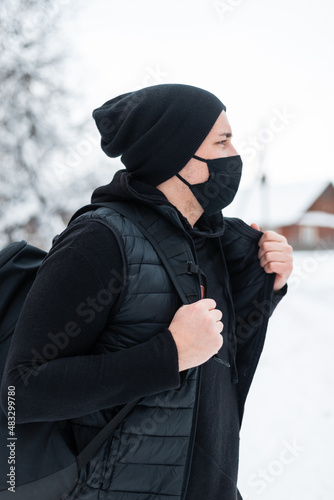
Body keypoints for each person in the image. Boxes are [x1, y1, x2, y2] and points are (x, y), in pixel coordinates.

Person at [1, 84, 293, 499]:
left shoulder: (212, 241)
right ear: (175, 156)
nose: (235, 155)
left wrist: (265, 282)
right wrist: (169, 354)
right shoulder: (98, 241)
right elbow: (21, 392)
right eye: (222, 141)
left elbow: (218, 369)